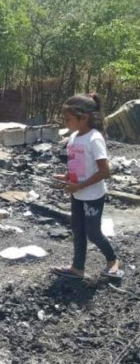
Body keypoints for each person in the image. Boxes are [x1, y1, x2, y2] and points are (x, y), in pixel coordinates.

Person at [51, 93, 121, 279]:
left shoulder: (94, 138)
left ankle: (112, 260)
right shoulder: (74, 137)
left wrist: (81, 185)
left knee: (93, 233)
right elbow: (78, 164)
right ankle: (77, 268)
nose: (65, 123)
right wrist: (67, 177)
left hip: (92, 195)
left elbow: (105, 171)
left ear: (84, 118)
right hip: (77, 193)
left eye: (68, 119)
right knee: (78, 230)